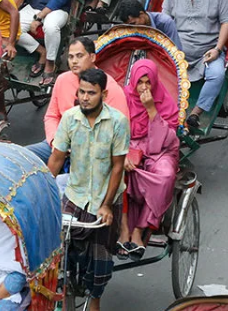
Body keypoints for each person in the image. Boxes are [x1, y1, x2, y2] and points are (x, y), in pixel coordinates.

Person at [48, 68, 129, 311]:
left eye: (91, 93)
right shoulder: (70, 119)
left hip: (105, 199)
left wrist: (106, 204)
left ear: (103, 94)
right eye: (81, 92)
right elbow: (56, 158)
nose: (85, 97)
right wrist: (40, 188)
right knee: (59, 255)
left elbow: (117, 167)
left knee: (99, 265)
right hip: (75, 196)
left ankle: (94, 300)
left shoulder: (117, 122)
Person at [28, 36, 129, 161]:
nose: (74, 61)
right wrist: (54, 141)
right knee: (20, 156)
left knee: (61, 180)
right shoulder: (62, 80)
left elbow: (119, 131)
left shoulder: (110, 88)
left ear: (92, 57)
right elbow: (51, 116)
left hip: (92, 153)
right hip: (59, 142)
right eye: (71, 57)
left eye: (79, 56)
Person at [163, 0, 228, 127]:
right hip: (178, 52)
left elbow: (226, 22)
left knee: (217, 75)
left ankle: (196, 113)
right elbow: (165, 21)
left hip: (207, 52)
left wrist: (217, 49)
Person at [117, 59, 179, 258]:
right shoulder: (123, 97)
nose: (144, 87)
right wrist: (121, 153)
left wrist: (151, 109)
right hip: (127, 146)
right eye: (140, 82)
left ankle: (139, 230)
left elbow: (167, 137)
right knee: (114, 169)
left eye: (148, 82)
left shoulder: (163, 99)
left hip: (158, 151)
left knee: (166, 175)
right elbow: (113, 129)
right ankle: (124, 228)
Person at [114, 0, 181, 47]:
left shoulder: (165, 22)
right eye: (129, 26)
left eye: (133, 23)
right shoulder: (130, 29)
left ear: (142, 14)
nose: (132, 28)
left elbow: (176, 51)